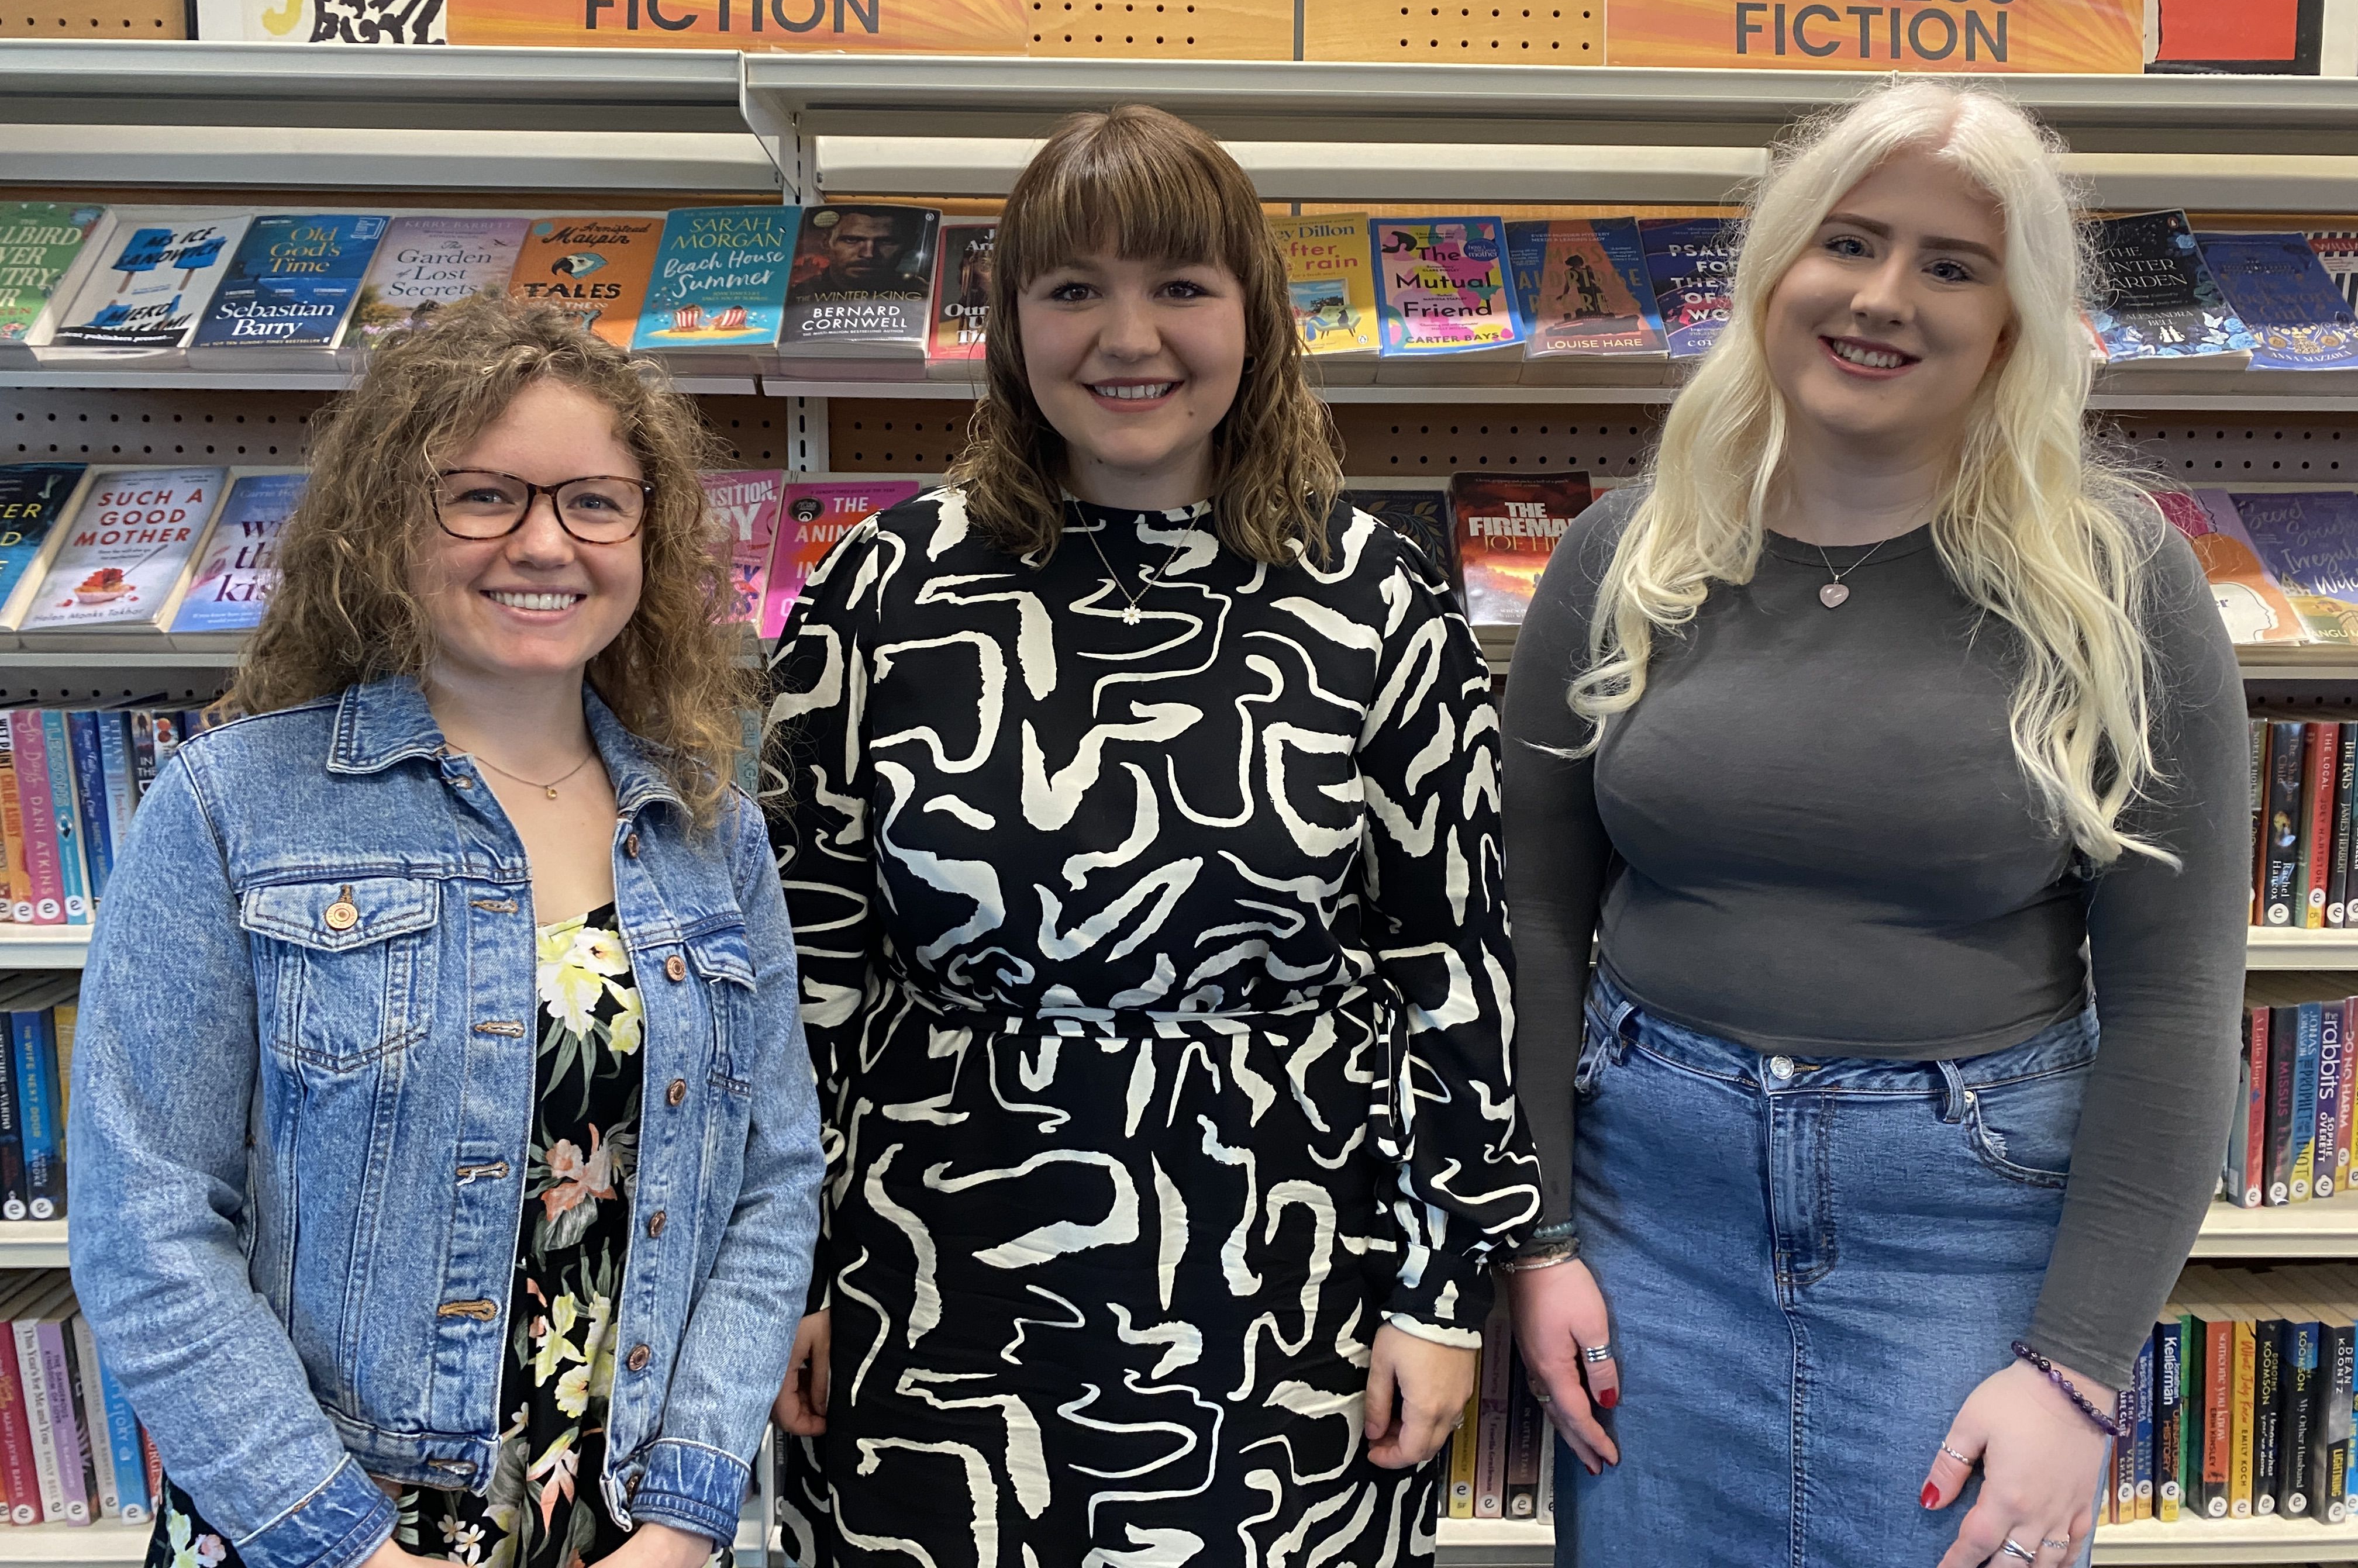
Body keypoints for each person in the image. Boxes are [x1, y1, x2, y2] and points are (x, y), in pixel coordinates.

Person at [761, 103, 1542, 1564]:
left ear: (1256, 313)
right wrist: (785, 1270)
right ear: (1010, 325)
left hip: (1288, 1266)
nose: (1130, 337)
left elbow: (1455, 973)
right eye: (1074, 291)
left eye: (1181, 286)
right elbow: (807, 962)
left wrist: (1442, 1298)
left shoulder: (1375, 600)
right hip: (930, 1273)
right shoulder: (883, 593)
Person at [1502, 80, 2247, 1568]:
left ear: (2016, 320)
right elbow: (1530, 914)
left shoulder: (2122, 586)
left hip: (1966, 1230)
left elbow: (2174, 1005)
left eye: (1951, 265)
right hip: (1652, 1217)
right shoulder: (1625, 552)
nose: (1883, 297)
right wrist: (1543, 1238)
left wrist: (2077, 1373)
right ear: (1778, 267)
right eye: (1849, 242)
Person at [68, 299, 825, 1568]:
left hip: (618, 1531)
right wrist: (345, 1545)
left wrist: (688, 1518)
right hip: (314, 1533)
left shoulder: (712, 831)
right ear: (385, 526)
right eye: (483, 496)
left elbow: (770, 1184)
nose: (545, 543)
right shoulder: (228, 807)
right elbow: (146, 1225)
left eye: (595, 501)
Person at [788, 207, 929, 299]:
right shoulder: (799, 296)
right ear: (826, 243)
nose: (868, 254)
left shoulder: (924, 295)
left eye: (886, 242)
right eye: (851, 240)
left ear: (910, 244)